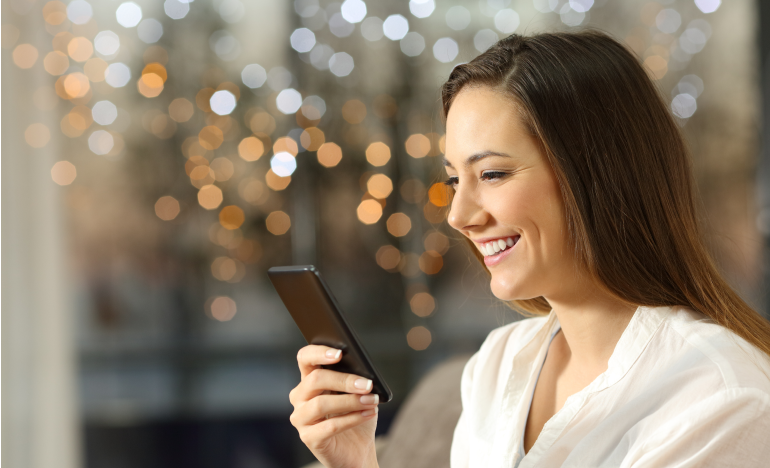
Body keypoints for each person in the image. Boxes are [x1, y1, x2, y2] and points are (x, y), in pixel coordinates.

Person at [287, 31, 770, 468]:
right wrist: (356, 462)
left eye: (492, 174)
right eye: (454, 181)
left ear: (598, 176)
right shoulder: (498, 364)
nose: (458, 215)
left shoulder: (720, 399)